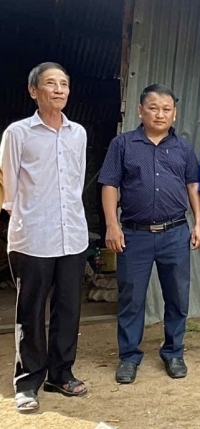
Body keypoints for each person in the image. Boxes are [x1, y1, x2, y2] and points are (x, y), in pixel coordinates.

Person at [0, 62, 89, 414]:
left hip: (73, 235)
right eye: (50, 83)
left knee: (69, 308)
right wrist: (25, 218)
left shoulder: (77, 133)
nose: (59, 90)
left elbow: (77, 180)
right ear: (33, 90)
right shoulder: (17, 133)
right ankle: (28, 382)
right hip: (33, 237)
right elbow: (6, 190)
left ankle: (61, 373)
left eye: (64, 84)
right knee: (31, 311)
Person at [98, 84, 200, 383]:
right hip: (134, 234)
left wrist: (199, 223)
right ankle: (129, 357)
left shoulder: (182, 148)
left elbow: (193, 185)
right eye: (153, 107)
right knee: (132, 299)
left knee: (178, 297)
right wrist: (111, 225)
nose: (160, 113)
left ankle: (173, 352)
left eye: (166, 108)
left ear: (174, 113)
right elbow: (109, 185)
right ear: (140, 110)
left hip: (175, 233)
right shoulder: (123, 144)